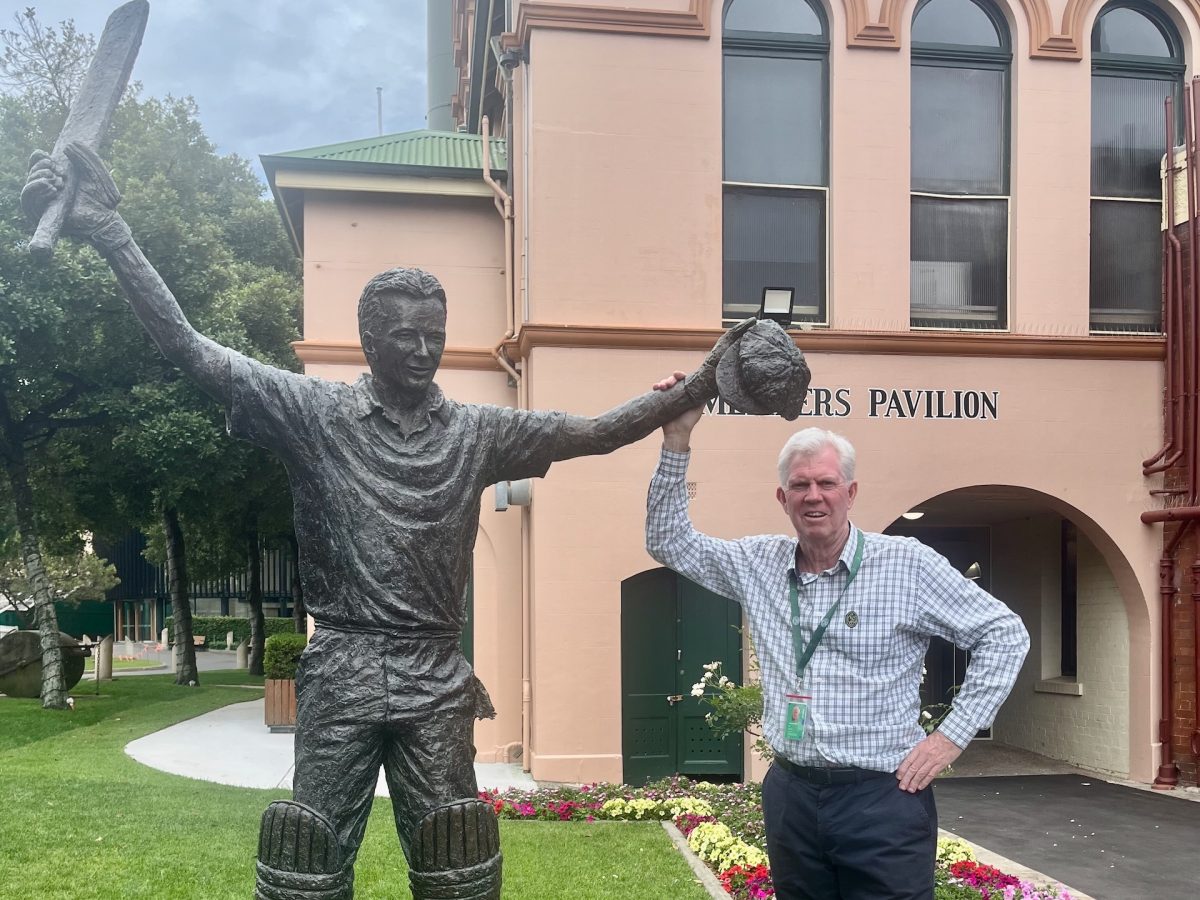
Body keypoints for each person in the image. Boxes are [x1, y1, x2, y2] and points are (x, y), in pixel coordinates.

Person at [21, 143, 752, 900]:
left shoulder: (477, 432)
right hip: (342, 670)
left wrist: (694, 387)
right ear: (370, 339)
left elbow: (591, 431)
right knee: (304, 864)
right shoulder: (316, 416)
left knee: (458, 865)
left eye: (434, 332)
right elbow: (193, 351)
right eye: (405, 335)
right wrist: (113, 234)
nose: (423, 348)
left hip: (435, 678)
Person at [644, 392, 1029, 900]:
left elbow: (1004, 633)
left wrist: (951, 737)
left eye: (826, 483)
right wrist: (676, 438)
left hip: (884, 798)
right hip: (793, 796)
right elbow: (667, 540)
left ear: (850, 492)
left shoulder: (906, 566)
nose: (813, 496)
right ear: (783, 499)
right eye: (799, 485)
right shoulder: (758, 564)